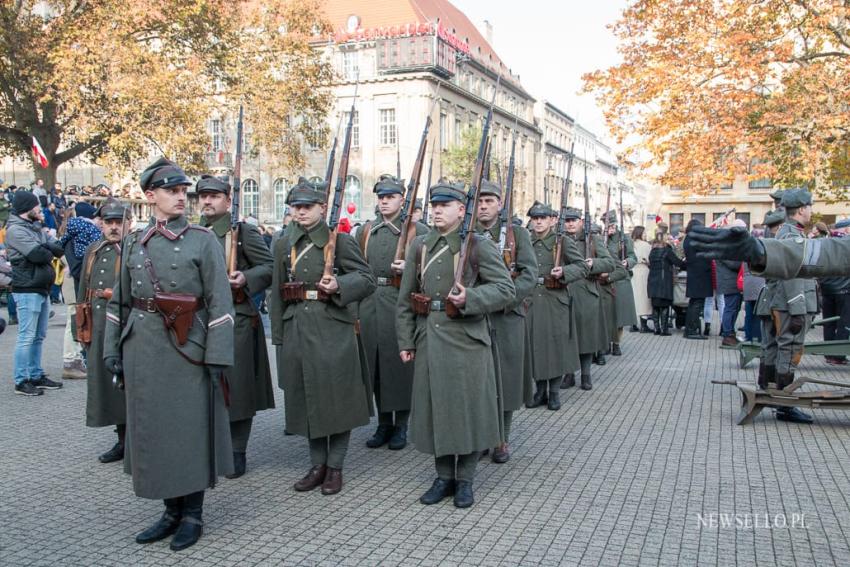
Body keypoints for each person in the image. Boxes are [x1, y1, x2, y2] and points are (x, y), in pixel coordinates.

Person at [104, 157, 236, 551]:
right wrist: (112, 349)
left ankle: (192, 514)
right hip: (143, 350)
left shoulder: (202, 239)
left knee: (189, 431)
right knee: (155, 432)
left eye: (183, 192)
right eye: (172, 191)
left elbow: (220, 302)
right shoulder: (134, 242)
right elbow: (120, 301)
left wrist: (217, 357)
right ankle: (169, 512)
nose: (181, 198)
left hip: (187, 350)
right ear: (151, 196)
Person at [395, 181, 515, 508]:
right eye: (434, 205)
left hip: (467, 340)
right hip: (429, 338)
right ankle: (444, 476)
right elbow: (405, 299)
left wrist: (471, 297)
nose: (436, 210)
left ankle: (466, 480)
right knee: (437, 410)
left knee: (469, 411)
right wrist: (406, 339)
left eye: (445, 206)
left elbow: (506, 290)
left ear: (461, 211)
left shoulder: (477, 245)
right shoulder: (419, 246)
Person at [270, 177, 376, 496]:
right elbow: (276, 293)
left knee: (337, 399)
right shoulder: (282, 242)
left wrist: (340, 286)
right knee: (307, 399)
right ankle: (317, 465)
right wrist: (279, 337)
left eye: (307, 207)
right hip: (297, 327)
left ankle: (336, 466)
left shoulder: (339, 241)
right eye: (295, 207)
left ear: (321, 208)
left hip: (333, 326)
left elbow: (366, 278)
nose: (300, 213)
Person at [198, 175, 276, 479]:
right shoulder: (195, 233)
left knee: (238, 388)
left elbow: (268, 267)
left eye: (214, 196)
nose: (207, 201)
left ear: (228, 201)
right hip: (201, 318)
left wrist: (246, 278)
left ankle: (237, 449)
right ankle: (212, 444)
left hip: (237, 317)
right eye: (203, 196)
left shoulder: (242, 233)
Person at [357, 175, 428, 451]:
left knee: (400, 367)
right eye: (381, 197)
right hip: (371, 302)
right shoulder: (365, 231)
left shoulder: (417, 231)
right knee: (375, 367)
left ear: (402, 199)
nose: (384, 202)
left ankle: (402, 424)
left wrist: (411, 269)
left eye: (390, 197)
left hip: (402, 301)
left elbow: (431, 272)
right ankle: (384, 422)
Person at [474, 183, 537, 461]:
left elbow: (529, 274)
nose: (484, 206)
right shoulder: (468, 234)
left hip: (507, 315)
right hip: (475, 315)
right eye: (479, 201)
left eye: (489, 200)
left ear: (500, 204)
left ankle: (501, 438)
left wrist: (504, 299)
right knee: (479, 380)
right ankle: (480, 437)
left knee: (506, 379)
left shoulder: (517, 234)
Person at [78, 200, 131, 463]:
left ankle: (134, 440)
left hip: (125, 326)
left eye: (118, 222)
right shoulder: (94, 250)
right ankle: (121, 440)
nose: (113, 227)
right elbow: (83, 291)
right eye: (108, 222)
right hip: (98, 326)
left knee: (128, 386)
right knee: (106, 386)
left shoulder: (134, 249)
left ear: (128, 224)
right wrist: (81, 327)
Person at [525, 201, 586, 409]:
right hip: (531, 299)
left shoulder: (562, 242)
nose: (539, 222)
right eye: (535, 218)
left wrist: (565, 273)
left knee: (555, 346)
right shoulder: (525, 241)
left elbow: (582, 267)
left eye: (543, 218)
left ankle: (553, 392)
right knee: (536, 346)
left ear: (551, 220)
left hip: (555, 298)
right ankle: (539, 389)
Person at [5, 191, 65, 396]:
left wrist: (46, 246)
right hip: (27, 288)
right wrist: (46, 246)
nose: (40, 210)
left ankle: (35, 374)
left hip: (41, 287)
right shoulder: (15, 230)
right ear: (27, 209)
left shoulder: (34, 227)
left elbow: (58, 248)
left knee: (38, 336)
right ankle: (21, 380)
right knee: (26, 336)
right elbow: (39, 255)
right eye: (37, 207)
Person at [562, 208, 617, 390]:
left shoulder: (593, 239)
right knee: (567, 336)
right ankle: (568, 374)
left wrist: (593, 263)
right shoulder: (559, 240)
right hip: (564, 291)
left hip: (586, 292)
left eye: (573, 220)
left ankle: (586, 374)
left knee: (586, 337)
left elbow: (609, 263)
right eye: (567, 220)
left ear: (580, 221)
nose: (570, 223)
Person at [604, 211, 638, 354]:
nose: (609, 228)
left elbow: (633, 257)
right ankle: (605, 344)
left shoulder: (624, 238)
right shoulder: (601, 237)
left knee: (619, 314)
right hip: (605, 279)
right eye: (606, 224)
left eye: (611, 225)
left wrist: (627, 262)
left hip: (621, 279)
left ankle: (616, 343)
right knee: (605, 315)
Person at [820, 218, 850, 365]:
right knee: (843, 323)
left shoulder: (826, 242)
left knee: (828, 323)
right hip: (844, 290)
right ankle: (838, 355)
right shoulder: (847, 243)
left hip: (827, 289)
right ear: (847, 229)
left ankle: (828, 353)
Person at [647, 231, 686, 335]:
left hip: (652, 280)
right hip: (664, 281)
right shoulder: (667, 251)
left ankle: (656, 329)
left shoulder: (652, 251)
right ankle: (664, 329)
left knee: (655, 305)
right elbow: (678, 263)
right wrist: (686, 263)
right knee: (664, 305)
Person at [718, 220, 746, 347]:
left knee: (734, 308)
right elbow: (733, 263)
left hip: (731, 281)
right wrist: (745, 260)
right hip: (729, 282)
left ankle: (729, 333)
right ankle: (727, 334)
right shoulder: (726, 245)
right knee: (730, 308)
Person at [683, 219, 712, 339]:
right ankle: (692, 330)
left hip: (695, 274)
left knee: (694, 303)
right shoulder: (694, 239)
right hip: (700, 274)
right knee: (697, 303)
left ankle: (690, 329)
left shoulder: (688, 238)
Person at [631, 226, 652, 332]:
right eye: (644, 233)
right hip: (643, 271)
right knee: (644, 298)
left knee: (634, 297)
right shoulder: (646, 245)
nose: (645, 235)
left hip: (632, 271)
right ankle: (644, 324)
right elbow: (650, 259)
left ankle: (632, 324)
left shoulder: (630, 244)